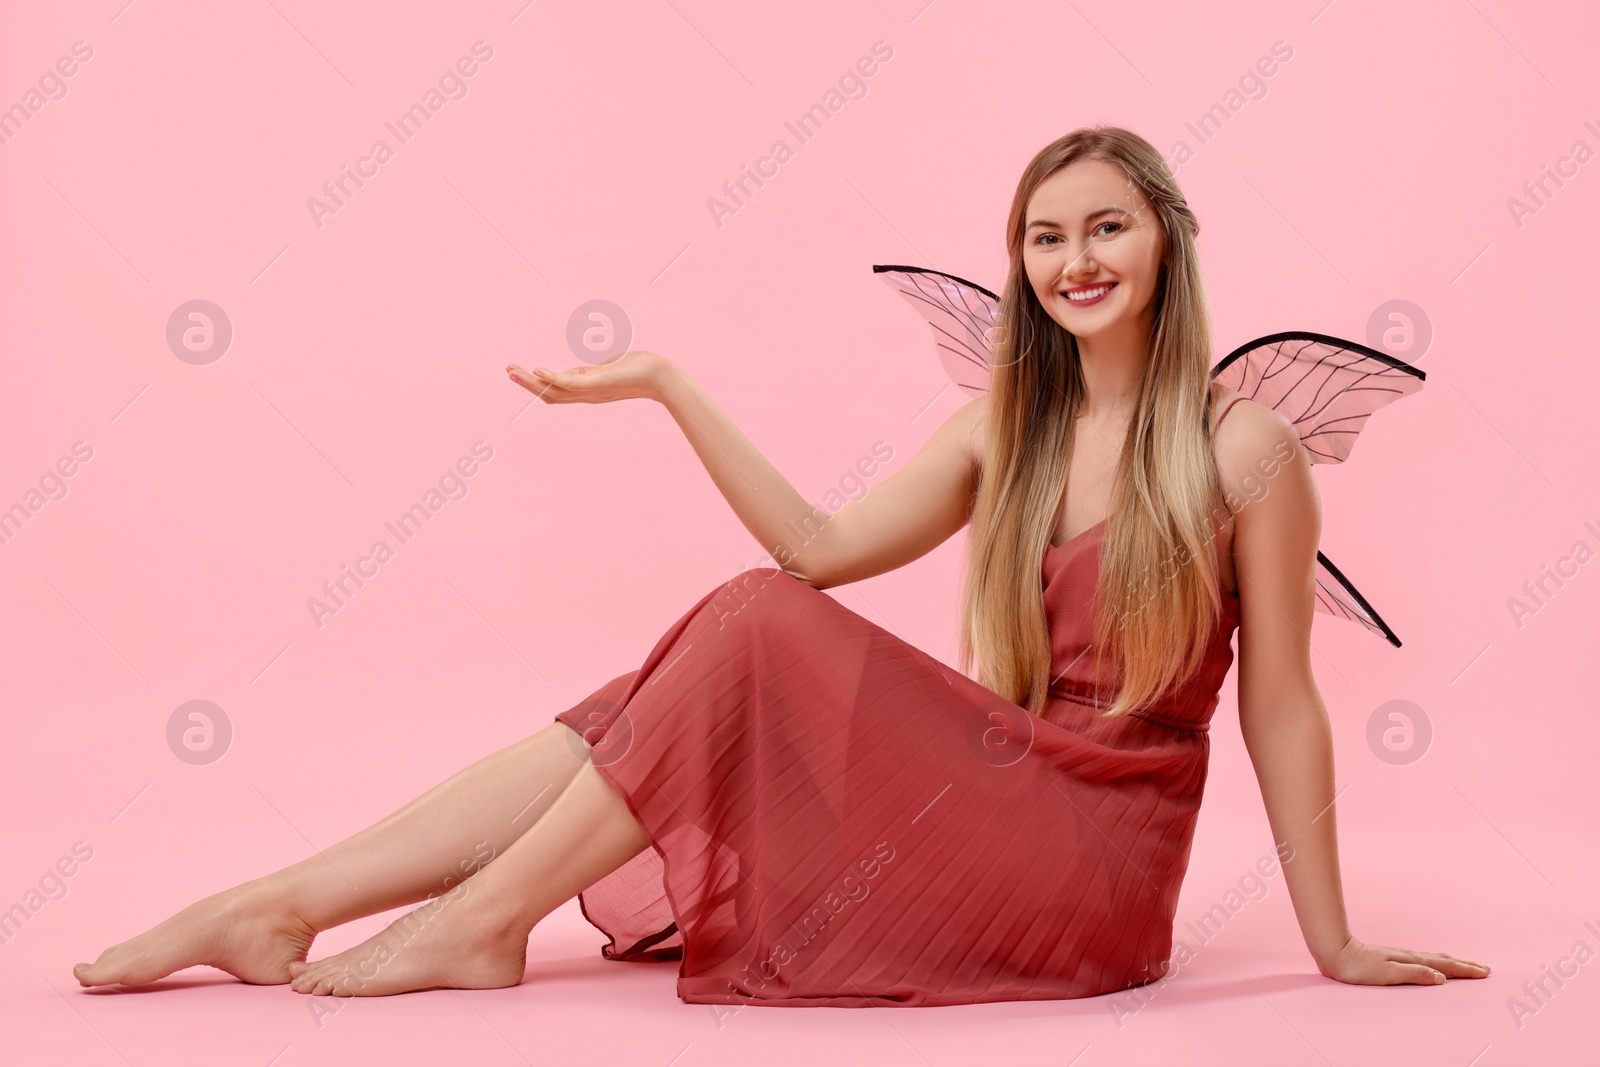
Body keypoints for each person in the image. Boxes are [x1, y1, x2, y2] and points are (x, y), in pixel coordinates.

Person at [73, 126, 1488, 1005]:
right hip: (997, 785)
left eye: (1105, 224)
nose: (1075, 257)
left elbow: (1282, 705)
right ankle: (281, 905)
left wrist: (1336, 943)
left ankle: (480, 921)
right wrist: (672, 384)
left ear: (1168, 240)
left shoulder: (1246, 450)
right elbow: (817, 550)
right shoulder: (1006, 422)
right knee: (670, 677)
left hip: (1091, 870)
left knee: (751, 630)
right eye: (1045, 236)